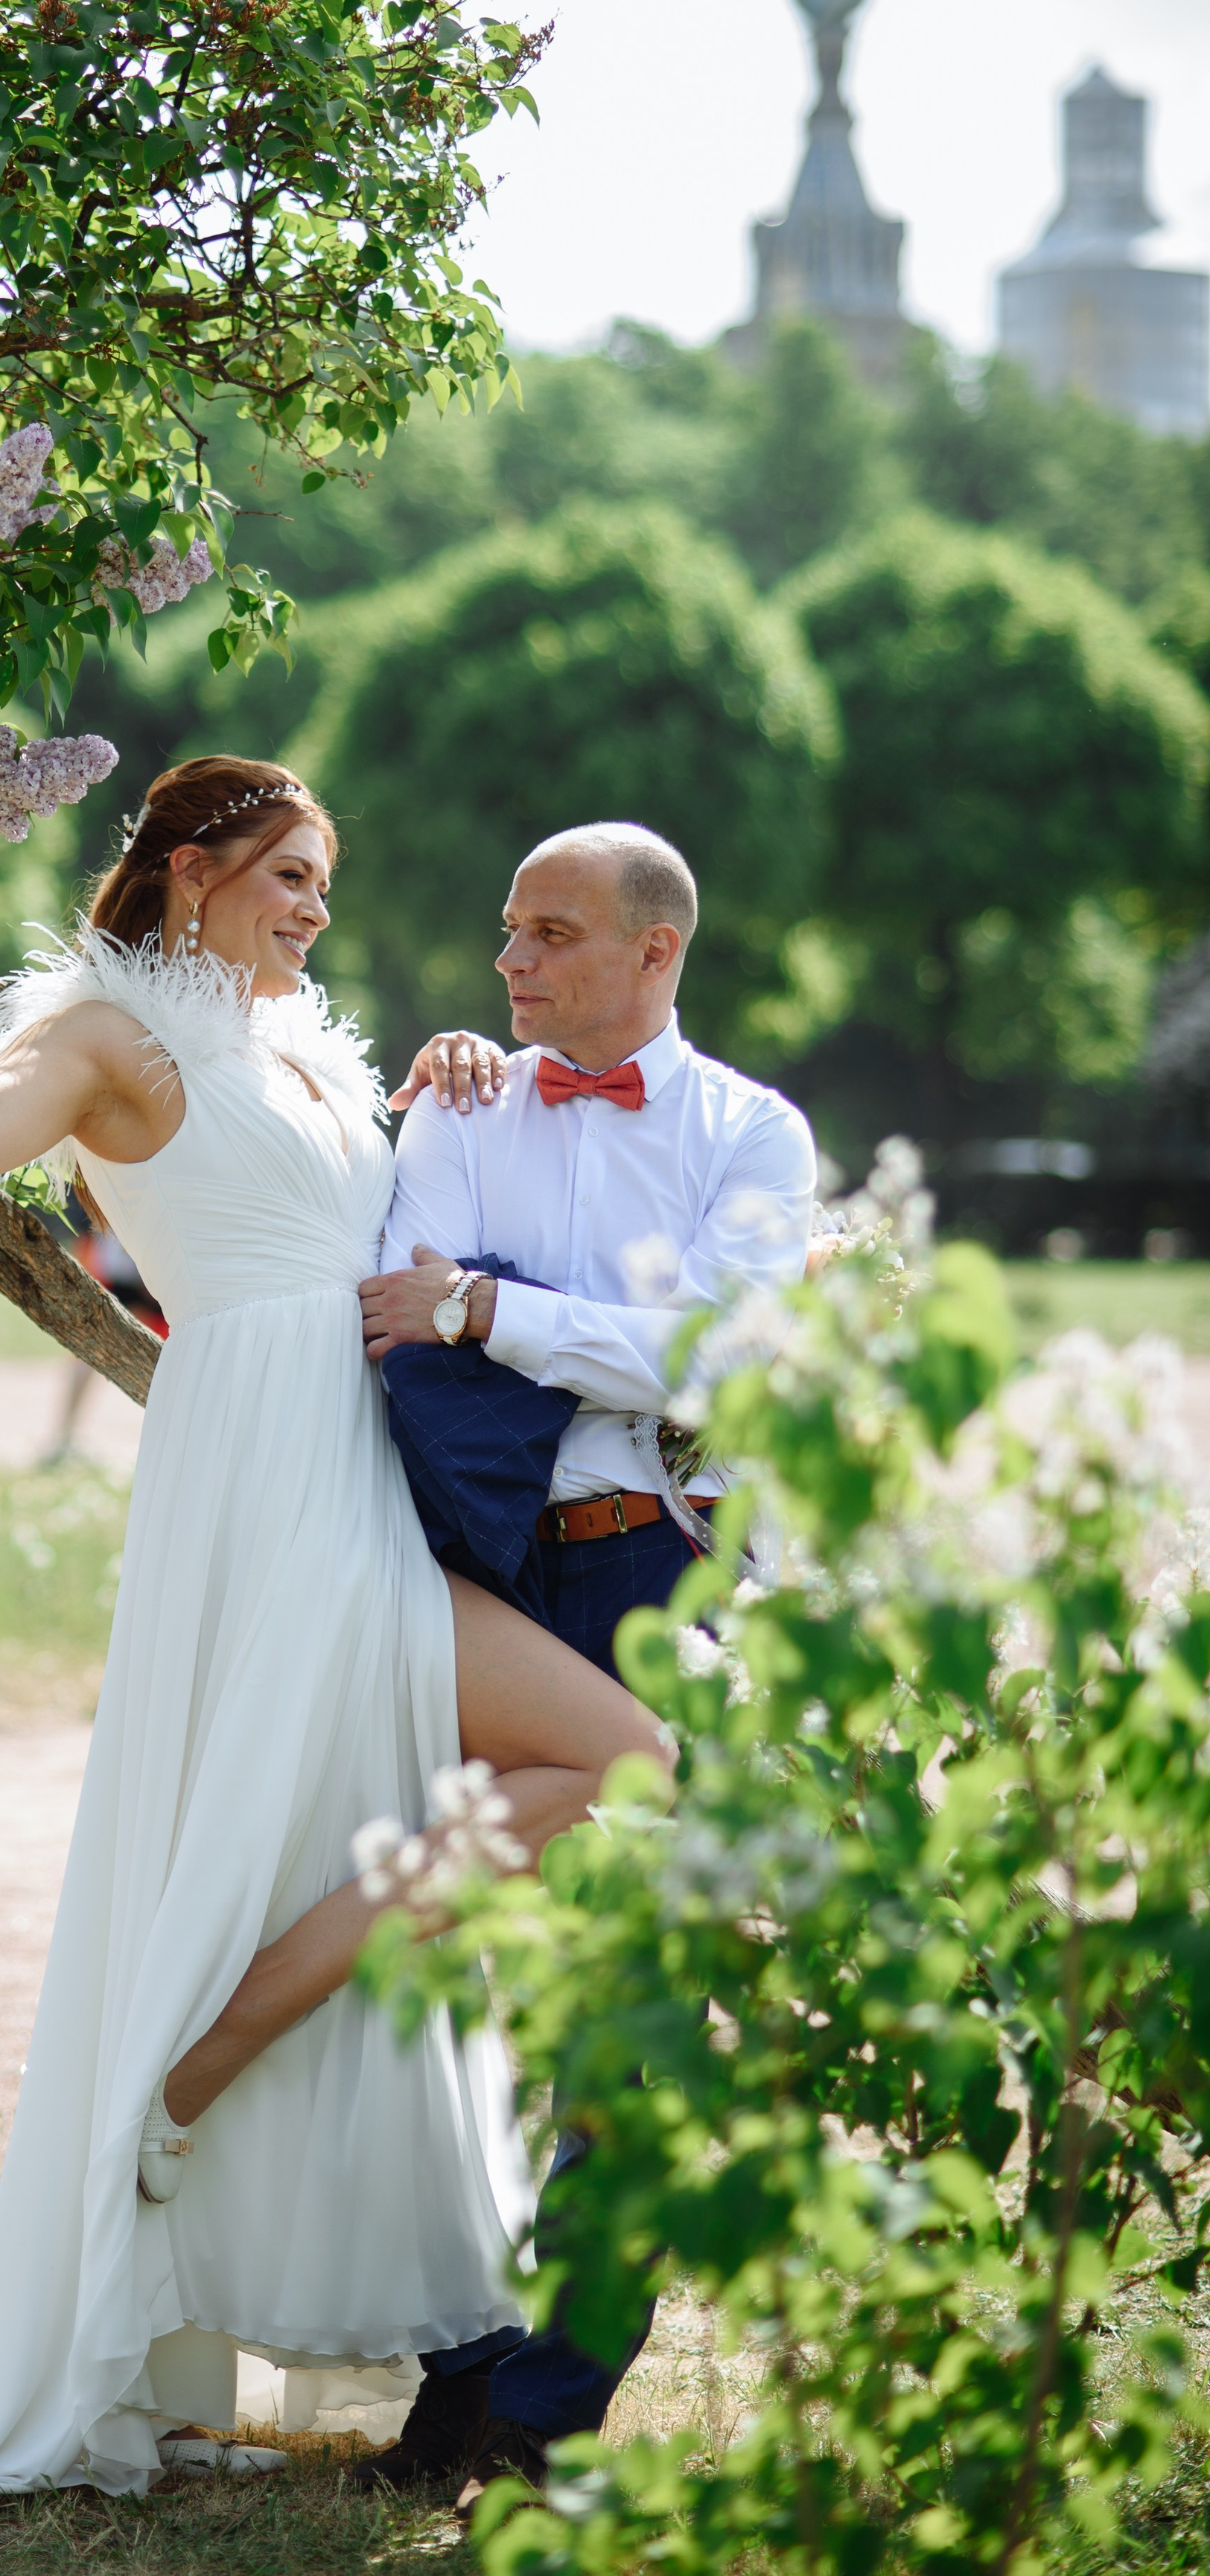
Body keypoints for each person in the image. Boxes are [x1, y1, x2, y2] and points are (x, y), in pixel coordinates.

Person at [0, 759, 672, 2534]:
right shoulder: (106, 1030)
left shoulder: (302, 1036)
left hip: (356, 1460)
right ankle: (194, 2056)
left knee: (518, 1775)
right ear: (186, 865)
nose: (312, 903)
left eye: (325, 877)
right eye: (286, 871)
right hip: (256, 1470)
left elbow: (377, 1215)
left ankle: (205, 2058)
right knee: (606, 1752)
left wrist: (444, 1086)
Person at [352, 821, 818, 2510]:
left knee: (622, 2006)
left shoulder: (749, 1131)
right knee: (455, 1965)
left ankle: (542, 2422)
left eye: (547, 932)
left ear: (652, 950)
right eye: (502, 930)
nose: (509, 963)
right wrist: (509, 1309)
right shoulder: (463, 1099)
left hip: (651, 1571)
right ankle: (448, 2377)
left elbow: (718, 1352)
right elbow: (390, 1299)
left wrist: (494, 1309)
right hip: (471, 1566)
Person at [41, 1197, 166, 1468]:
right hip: (130, 1244)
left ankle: (64, 1436)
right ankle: (63, 1437)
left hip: (116, 1241)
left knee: (90, 1350)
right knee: (91, 1347)